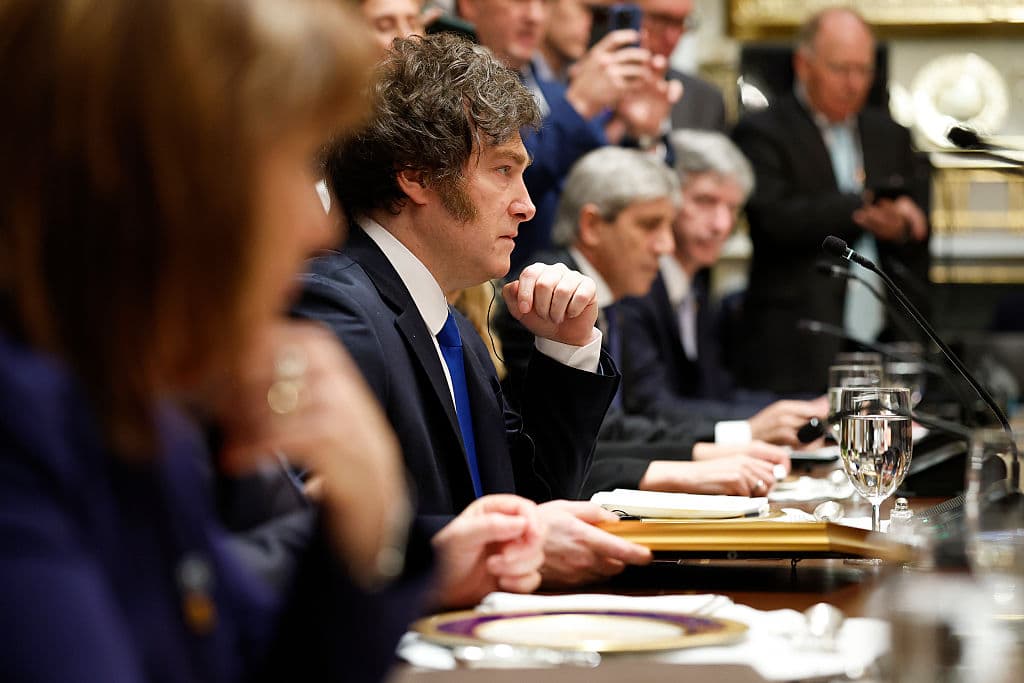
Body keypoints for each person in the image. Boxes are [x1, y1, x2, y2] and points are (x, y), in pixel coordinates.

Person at [0, 2, 546, 681]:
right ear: (154, 175)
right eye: (285, 165)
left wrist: (367, 523)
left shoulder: (141, 405)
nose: (318, 227)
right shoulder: (22, 421)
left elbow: (249, 651)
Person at [295, 33, 652, 587]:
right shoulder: (336, 307)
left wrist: (565, 350)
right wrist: (502, 543)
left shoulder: (453, 326)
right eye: (503, 169)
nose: (527, 205)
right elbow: (317, 536)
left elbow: (535, 502)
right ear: (415, 175)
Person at [495, 146, 791, 498]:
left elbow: (620, 426)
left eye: (668, 226)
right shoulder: (545, 297)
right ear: (591, 226)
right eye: (650, 225)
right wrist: (694, 460)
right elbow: (571, 449)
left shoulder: (615, 300)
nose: (665, 246)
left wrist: (706, 452)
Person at [732, 7, 930, 395]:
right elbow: (775, 220)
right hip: (797, 337)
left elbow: (917, 224)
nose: (854, 83)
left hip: (884, 330)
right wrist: (862, 206)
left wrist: (904, 226)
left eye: (864, 70)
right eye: (841, 69)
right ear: (804, 65)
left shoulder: (889, 134)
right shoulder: (763, 131)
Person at [619, 130, 827, 443]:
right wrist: (756, 425)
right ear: (665, 199)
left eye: (732, 209)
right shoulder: (636, 286)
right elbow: (651, 407)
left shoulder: (696, 288)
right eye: (705, 201)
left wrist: (805, 407)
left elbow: (715, 393)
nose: (721, 225)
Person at [458, 0, 677, 268]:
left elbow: (605, 191)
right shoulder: (453, 90)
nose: (534, 16)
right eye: (519, 0)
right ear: (469, 5)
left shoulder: (556, 91)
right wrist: (579, 106)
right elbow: (503, 178)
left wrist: (641, 134)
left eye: (544, 2)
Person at [639, 0, 727, 133]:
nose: (672, 38)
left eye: (681, 22)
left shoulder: (706, 101)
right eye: (660, 20)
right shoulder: (603, 94)